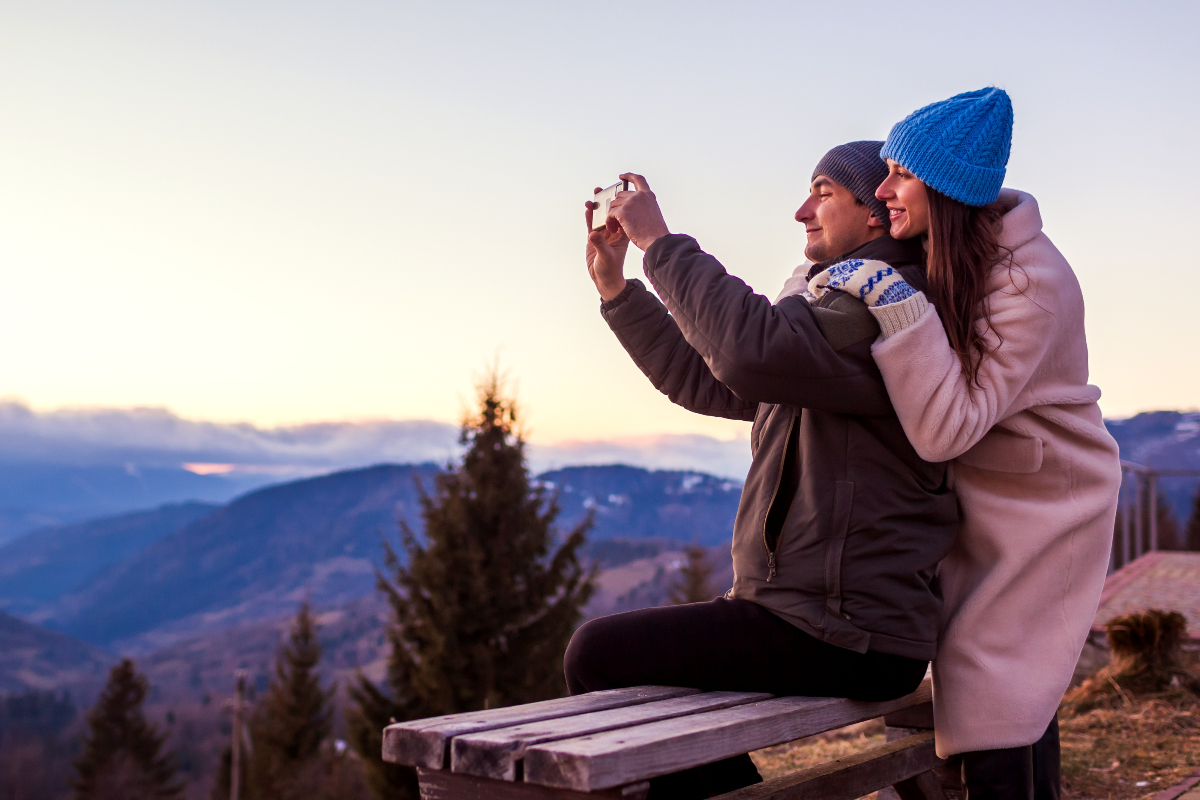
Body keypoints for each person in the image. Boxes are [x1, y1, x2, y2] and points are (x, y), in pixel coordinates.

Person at [569, 142, 958, 799]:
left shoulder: (881, 306)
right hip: (824, 619)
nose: (802, 209)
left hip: (841, 627)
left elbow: (751, 351)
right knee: (638, 681)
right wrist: (617, 288)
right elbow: (709, 376)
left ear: (873, 213)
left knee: (598, 655)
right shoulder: (835, 309)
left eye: (824, 191)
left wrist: (661, 243)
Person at [809, 89, 1121, 799]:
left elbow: (949, 422)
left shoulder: (1029, 283)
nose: (882, 190)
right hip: (984, 487)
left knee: (999, 681)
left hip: (1044, 501)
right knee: (1000, 683)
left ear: (943, 188)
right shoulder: (958, 250)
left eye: (899, 175)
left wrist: (898, 308)